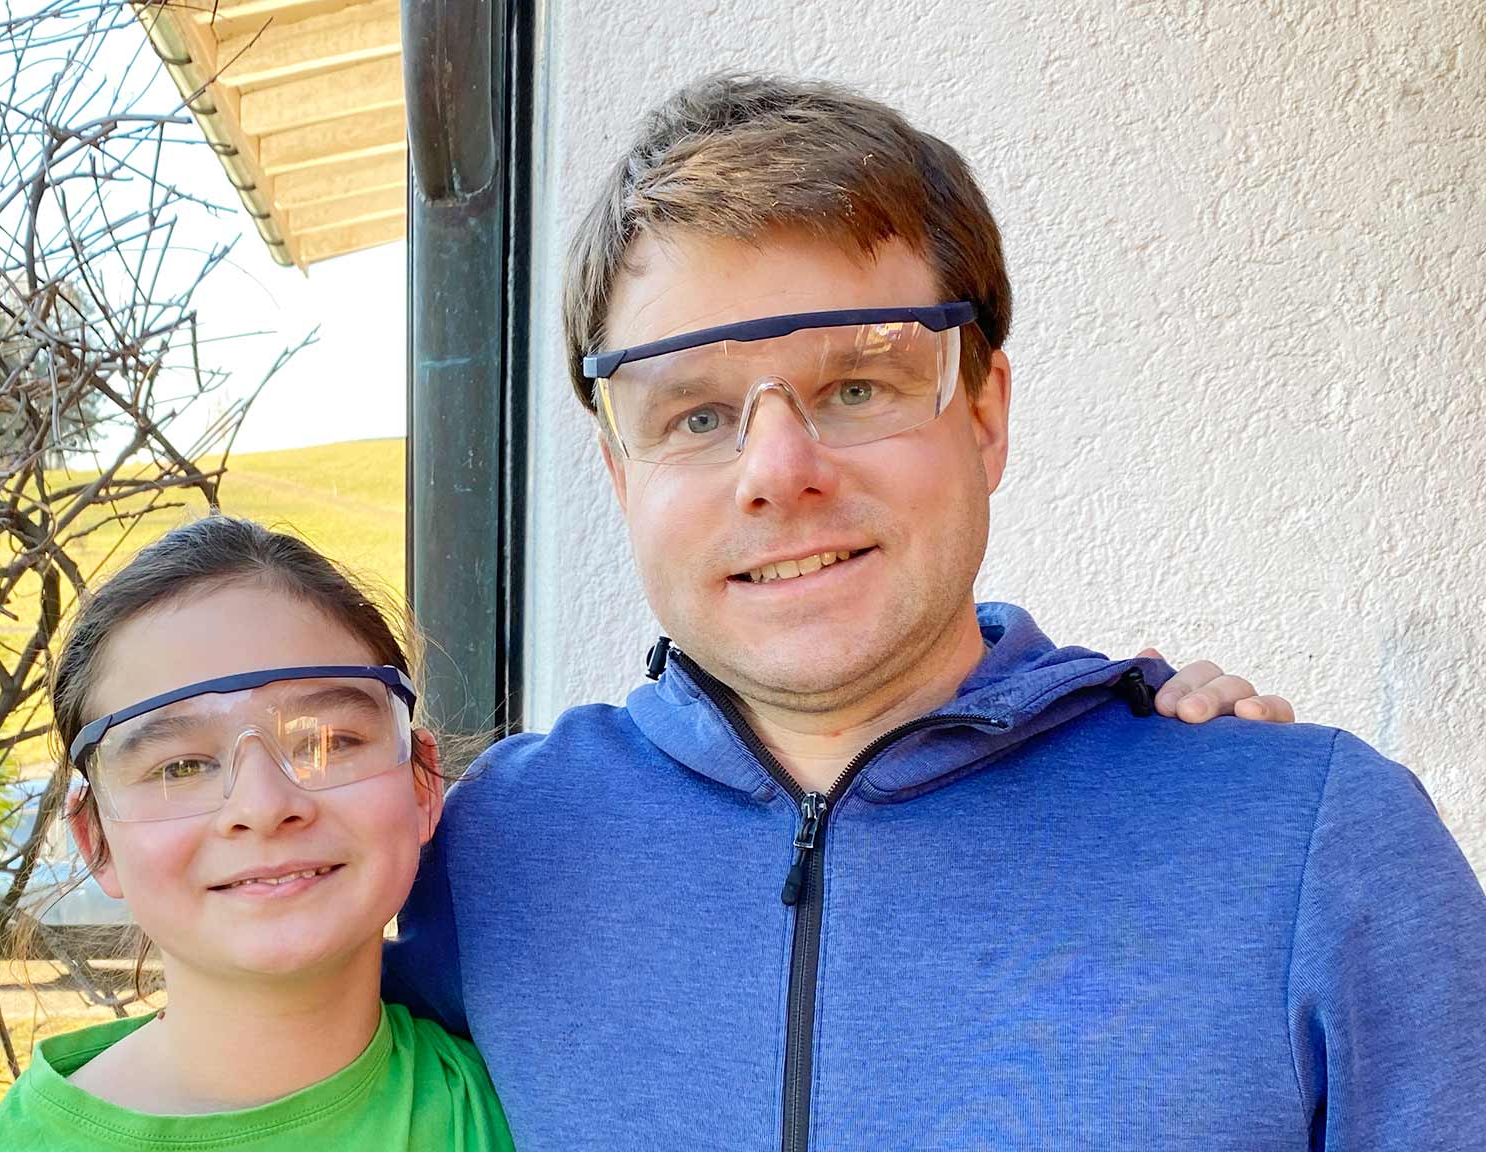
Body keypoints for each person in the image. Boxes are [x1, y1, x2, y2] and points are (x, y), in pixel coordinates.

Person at [386, 73, 1486, 1150]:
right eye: (696, 415)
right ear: (621, 474)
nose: (777, 471)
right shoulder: (486, 853)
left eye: (856, 386)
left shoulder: (1313, 845)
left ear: (985, 415)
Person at [0, 517, 512, 1151]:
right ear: (96, 839)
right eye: (180, 767)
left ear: (422, 785)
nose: (263, 806)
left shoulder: (538, 1112)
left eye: (330, 741)